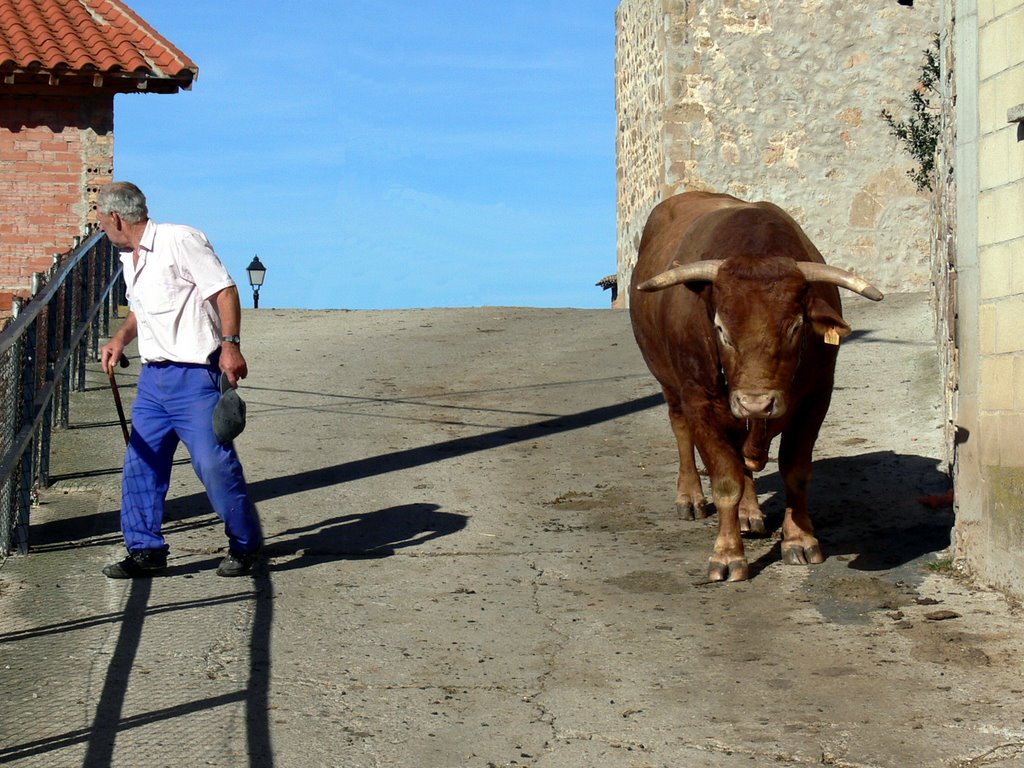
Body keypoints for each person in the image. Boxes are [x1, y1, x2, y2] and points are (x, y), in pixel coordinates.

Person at [96, 181, 263, 578]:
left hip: (195, 377)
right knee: (141, 465)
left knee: (213, 464)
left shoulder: (179, 240)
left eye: (101, 220)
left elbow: (224, 291)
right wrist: (121, 337)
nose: (100, 227)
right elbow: (142, 309)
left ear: (116, 217)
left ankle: (245, 544)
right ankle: (145, 550)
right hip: (153, 380)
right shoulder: (129, 258)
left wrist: (231, 346)